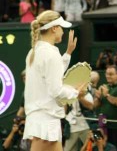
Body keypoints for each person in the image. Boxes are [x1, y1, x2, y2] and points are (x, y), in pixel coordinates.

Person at [22, 10, 87, 151]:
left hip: (41, 119)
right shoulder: (50, 53)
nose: (63, 32)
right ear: (54, 28)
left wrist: (68, 53)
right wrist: (75, 92)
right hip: (46, 121)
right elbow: (55, 90)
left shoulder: (35, 52)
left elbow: (51, 75)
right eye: (61, 27)